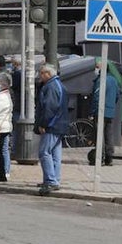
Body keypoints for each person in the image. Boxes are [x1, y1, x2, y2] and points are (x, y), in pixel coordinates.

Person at [35, 64, 68, 196]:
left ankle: (50, 180)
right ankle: (54, 179)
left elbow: (49, 107)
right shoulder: (59, 85)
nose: (40, 76)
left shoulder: (50, 87)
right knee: (55, 154)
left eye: (42, 73)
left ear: (48, 74)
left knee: (44, 152)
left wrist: (43, 124)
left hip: (52, 125)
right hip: (60, 124)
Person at [91, 58, 121, 166]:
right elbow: (117, 95)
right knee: (109, 135)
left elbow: (96, 97)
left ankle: (100, 158)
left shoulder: (100, 81)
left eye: (97, 67)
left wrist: (92, 112)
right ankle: (109, 157)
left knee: (99, 135)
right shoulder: (113, 80)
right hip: (110, 111)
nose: (95, 69)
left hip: (100, 111)